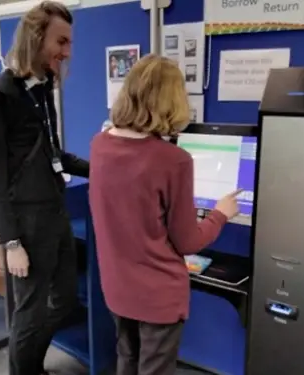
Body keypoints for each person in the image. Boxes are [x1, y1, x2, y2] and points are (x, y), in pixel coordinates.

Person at [88, 54, 240, 375]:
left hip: (117, 287)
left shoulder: (100, 144)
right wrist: (220, 214)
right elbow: (187, 241)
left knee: (127, 359)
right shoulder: (173, 160)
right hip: (157, 295)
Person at [0, 2, 89, 375]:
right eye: (61, 41)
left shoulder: (42, 89)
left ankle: (33, 367)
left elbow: (53, 153)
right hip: (25, 224)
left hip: (55, 214)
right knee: (30, 311)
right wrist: (11, 243)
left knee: (65, 300)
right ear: (36, 37)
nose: (67, 51)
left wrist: (104, 165)